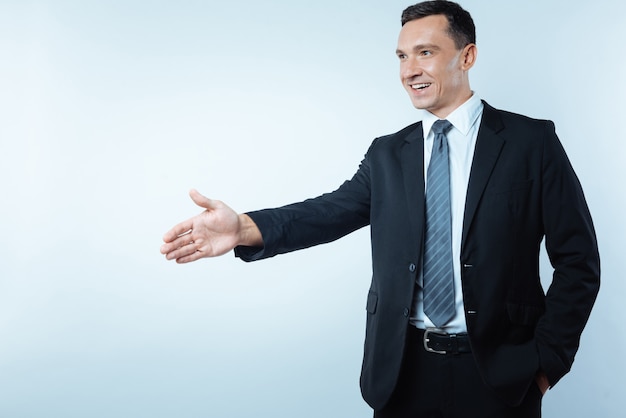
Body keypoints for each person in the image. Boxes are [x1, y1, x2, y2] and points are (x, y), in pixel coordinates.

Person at [160, 1, 600, 417]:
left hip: (501, 374)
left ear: (467, 57)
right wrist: (243, 227)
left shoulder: (531, 143)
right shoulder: (389, 154)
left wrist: (544, 366)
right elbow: (329, 212)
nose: (410, 71)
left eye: (425, 53)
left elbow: (578, 262)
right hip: (402, 373)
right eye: (402, 56)